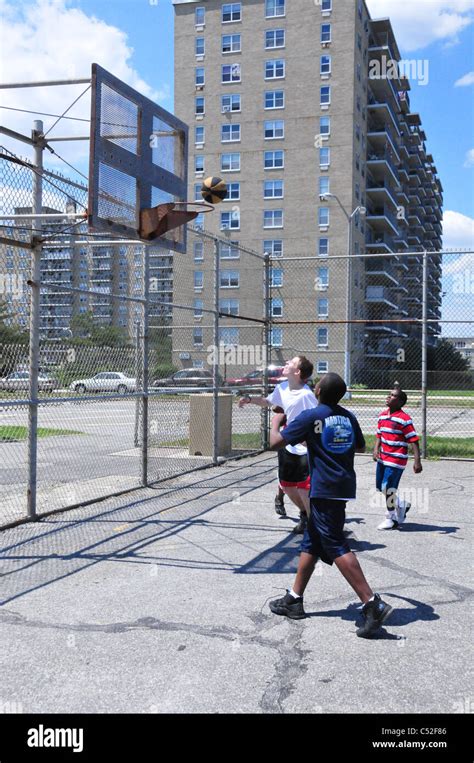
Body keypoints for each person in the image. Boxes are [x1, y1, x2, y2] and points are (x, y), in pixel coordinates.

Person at [268, 372, 393, 638]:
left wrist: (276, 422)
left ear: (320, 392)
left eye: (317, 384)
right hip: (341, 486)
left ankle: (372, 604)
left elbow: (275, 443)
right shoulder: (348, 416)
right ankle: (294, 599)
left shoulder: (311, 416)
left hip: (324, 489)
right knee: (312, 542)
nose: (314, 385)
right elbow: (358, 446)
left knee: (335, 543)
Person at [239, 356, 316, 533]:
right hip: (288, 443)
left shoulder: (306, 395)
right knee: (287, 485)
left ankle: (314, 526)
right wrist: (250, 399)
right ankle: (304, 514)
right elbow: (269, 402)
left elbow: (316, 418)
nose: (286, 363)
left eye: (291, 362)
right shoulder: (282, 387)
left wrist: (310, 439)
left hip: (304, 447)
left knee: (304, 489)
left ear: (297, 372)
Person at [373, 387, 422, 530]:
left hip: (396, 459)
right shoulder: (382, 415)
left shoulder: (404, 419)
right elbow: (379, 435)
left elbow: (414, 440)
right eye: (389, 394)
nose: (388, 397)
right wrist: (376, 449)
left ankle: (391, 518)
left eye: (393, 396)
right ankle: (401, 504)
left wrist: (417, 461)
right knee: (380, 487)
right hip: (383, 458)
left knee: (388, 488)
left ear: (400, 402)